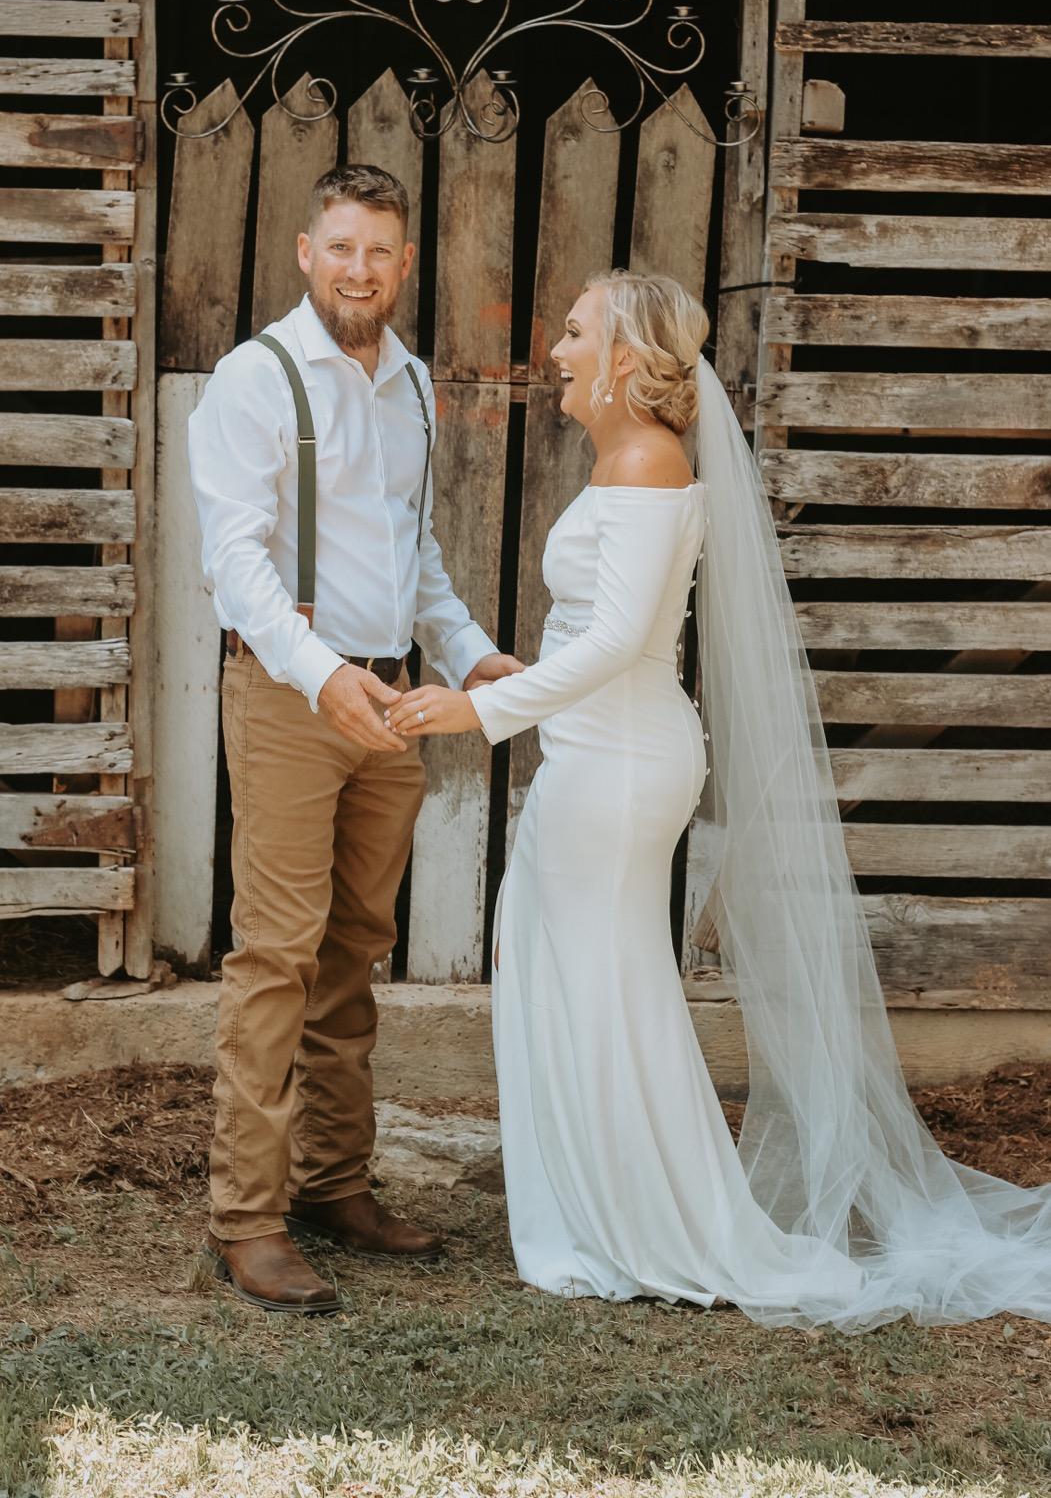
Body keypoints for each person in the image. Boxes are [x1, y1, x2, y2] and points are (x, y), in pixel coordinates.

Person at [385, 269, 1051, 1332]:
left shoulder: (646, 458)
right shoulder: (623, 458)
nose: (553, 352)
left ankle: (663, 1222)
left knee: (611, 990)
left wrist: (478, 716)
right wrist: (509, 675)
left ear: (621, 356)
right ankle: (611, 1202)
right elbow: (605, 629)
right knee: (572, 972)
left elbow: (615, 642)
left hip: (621, 764)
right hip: (594, 753)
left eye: (571, 333)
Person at [188, 164, 522, 1314]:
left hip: (391, 701)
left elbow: (413, 554)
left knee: (354, 949)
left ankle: (334, 1182)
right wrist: (322, 674)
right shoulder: (255, 377)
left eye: (379, 250)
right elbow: (233, 562)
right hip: (291, 697)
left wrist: (470, 651)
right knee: (277, 951)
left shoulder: (415, 385)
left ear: (403, 261)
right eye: (340, 247)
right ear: (302, 250)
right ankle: (246, 1217)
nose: (359, 270)